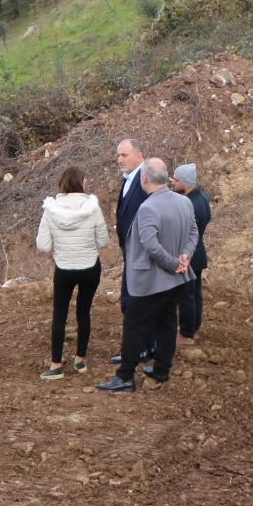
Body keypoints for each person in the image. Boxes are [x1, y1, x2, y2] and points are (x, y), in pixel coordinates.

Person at [97, 158, 196, 392]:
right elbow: (193, 231)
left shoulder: (149, 207)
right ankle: (162, 370)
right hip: (177, 278)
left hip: (152, 280)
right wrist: (185, 256)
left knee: (134, 325)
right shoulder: (184, 202)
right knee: (167, 322)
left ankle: (125, 377)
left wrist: (174, 263)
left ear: (144, 179)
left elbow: (150, 245)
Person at [34, 165, 109, 379]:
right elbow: (103, 241)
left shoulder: (51, 210)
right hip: (89, 268)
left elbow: (43, 246)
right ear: (81, 183)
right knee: (83, 313)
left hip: (64, 269)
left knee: (59, 316)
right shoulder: (93, 208)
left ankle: (56, 365)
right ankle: (80, 361)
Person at [109, 137, 145, 363]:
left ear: (139, 156)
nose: (119, 159)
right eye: (118, 155)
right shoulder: (129, 180)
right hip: (131, 252)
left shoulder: (144, 180)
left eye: (124, 155)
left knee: (134, 302)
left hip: (140, 253)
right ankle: (142, 347)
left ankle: (139, 349)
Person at [171, 164, 211, 343]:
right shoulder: (202, 197)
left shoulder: (188, 203)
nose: (173, 182)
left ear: (185, 182)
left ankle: (186, 333)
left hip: (189, 254)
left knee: (186, 295)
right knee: (195, 293)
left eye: (176, 179)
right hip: (199, 251)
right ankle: (194, 327)